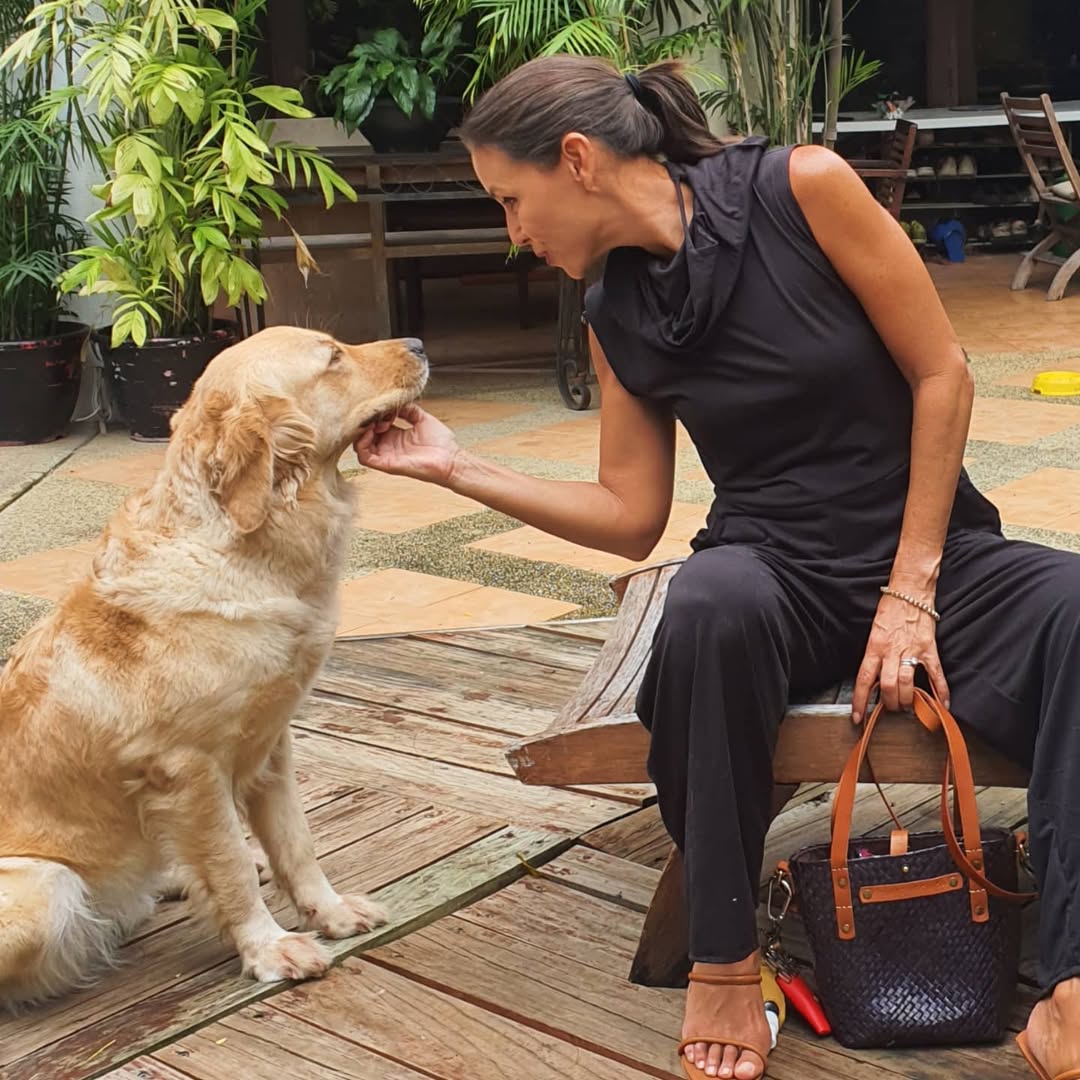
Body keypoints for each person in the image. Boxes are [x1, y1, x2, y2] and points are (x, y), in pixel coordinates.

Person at [353, 55, 1080, 1080]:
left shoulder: (803, 188)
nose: (512, 231)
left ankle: (1071, 991)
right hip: (779, 570)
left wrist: (910, 588)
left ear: (578, 160)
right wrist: (454, 466)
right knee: (709, 602)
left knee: (1074, 608)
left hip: (934, 553)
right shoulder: (613, 309)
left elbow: (942, 374)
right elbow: (628, 516)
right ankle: (726, 963)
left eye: (511, 199)